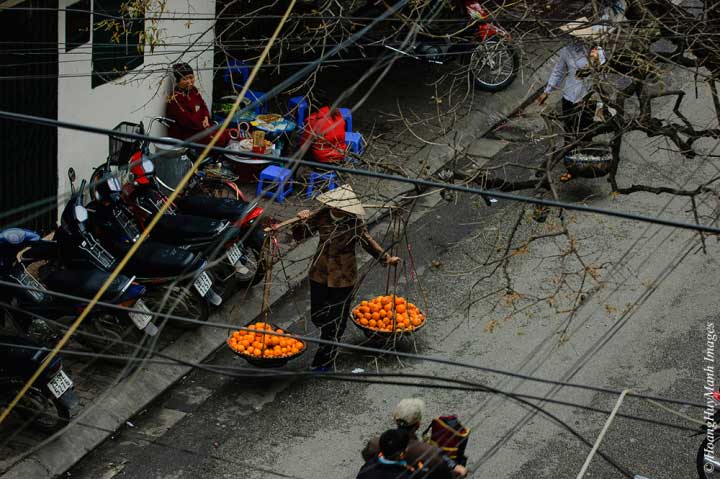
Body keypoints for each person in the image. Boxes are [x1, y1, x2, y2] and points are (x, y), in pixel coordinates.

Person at [291, 185, 400, 371]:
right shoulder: (322, 216)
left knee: (335, 321)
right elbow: (300, 235)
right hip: (320, 273)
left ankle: (323, 360)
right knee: (318, 316)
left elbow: (368, 242)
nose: (338, 209)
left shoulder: (354, 222)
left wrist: (386, 258)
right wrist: (300, 222)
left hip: (343, 278)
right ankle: (332, 332)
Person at [362, 398, 468, 479]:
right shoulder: (429, 452)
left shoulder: (376, 443)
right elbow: (445, 475)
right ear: (417, 425)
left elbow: (366, 456)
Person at [166, 62, 231, 146]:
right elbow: (188, 122)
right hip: (188, 135)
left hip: (202, 128)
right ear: (178, 81)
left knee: (229, 133)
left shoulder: (193, 90)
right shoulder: (175, 99)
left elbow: (203, 105)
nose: (190, 82)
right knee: (219, 139)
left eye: (191, 77)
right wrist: (203, 123)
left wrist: (206, 117)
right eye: (185, 79)